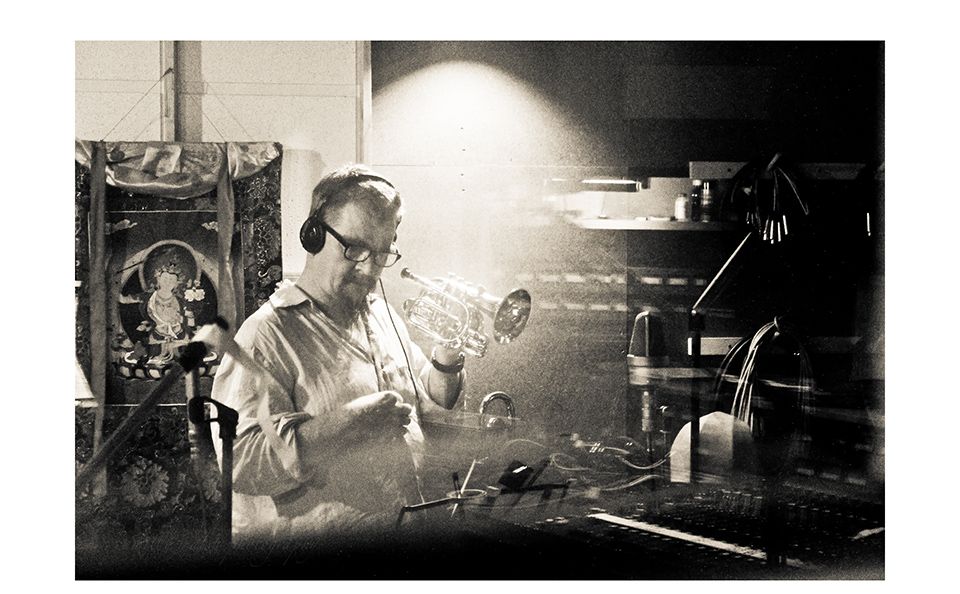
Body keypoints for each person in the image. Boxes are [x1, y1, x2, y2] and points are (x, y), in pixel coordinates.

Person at [210, 164, 466, 541]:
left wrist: (448, 351)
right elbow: (241, 463)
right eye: (356, 249)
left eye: (382, 253)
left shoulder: (381, 314)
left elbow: (432, 394)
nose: (369, 269)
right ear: (313, 236)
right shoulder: (266, 334)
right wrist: (351, 422)